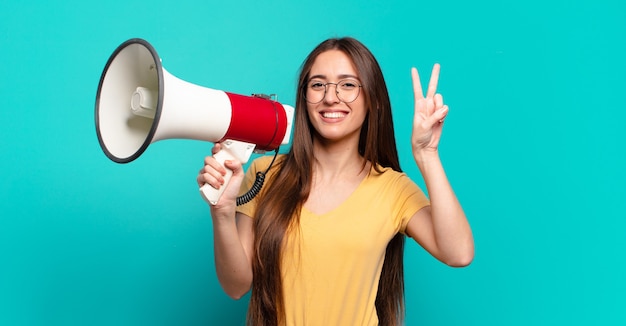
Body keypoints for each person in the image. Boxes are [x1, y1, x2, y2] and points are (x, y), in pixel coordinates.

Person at [197, 37, 474, 326]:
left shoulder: (392, 188)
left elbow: (459, 253)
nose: (331, 97)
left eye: (348, 85)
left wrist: (427, 154)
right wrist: (222, 212)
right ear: (304, 99)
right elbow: (236, 286)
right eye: (318, 85)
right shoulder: (264, 175)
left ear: (374, 101)